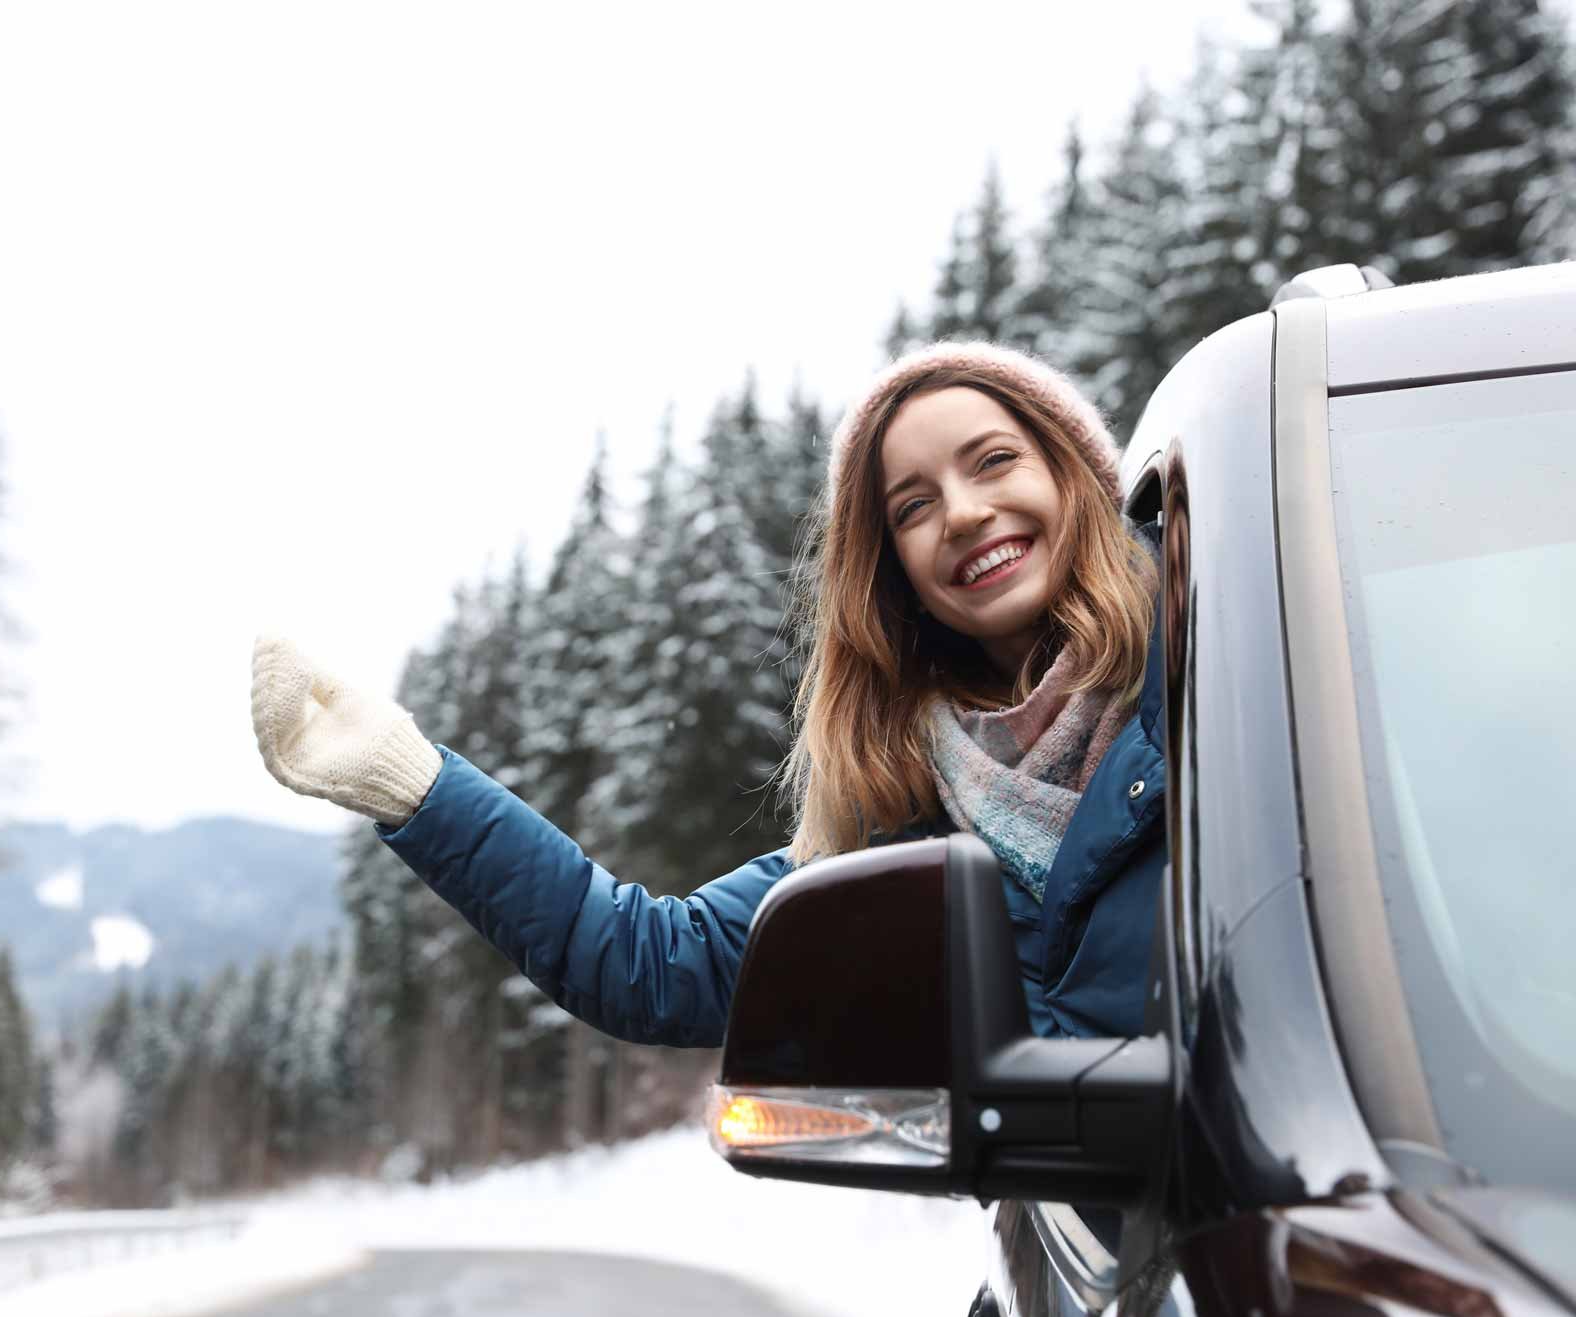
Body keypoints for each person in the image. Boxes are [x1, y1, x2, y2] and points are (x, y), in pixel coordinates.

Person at [251, 342, 1165, 1046]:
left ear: (1075, 476)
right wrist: (414, 782)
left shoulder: (1239, 677)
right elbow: (648, 961)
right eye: (913, 506)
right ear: (896, 578)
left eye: (995, 460)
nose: (962, 512)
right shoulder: (907, 837)